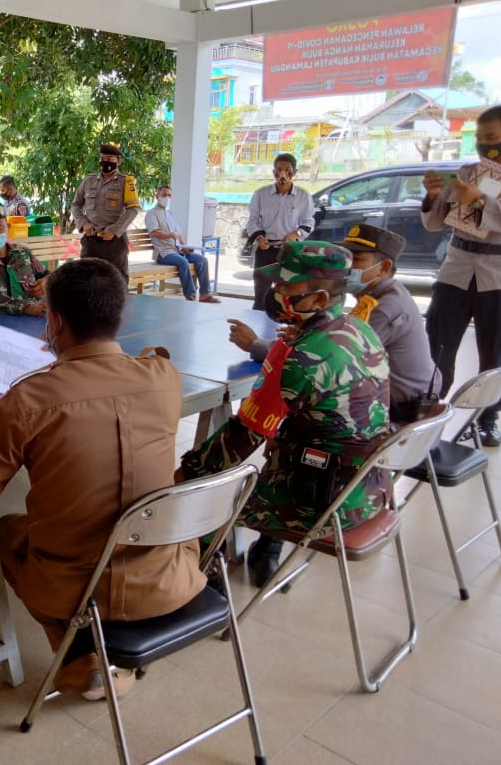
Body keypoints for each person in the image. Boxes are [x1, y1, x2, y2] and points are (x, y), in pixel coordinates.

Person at [0, 258, 205, 701]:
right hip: (170, 575)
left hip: (78, 586)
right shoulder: (163, 379)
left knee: (7, 530)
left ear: (53, 321)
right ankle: (101, 654)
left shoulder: (30, 397)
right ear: (120, 315)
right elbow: (145, 371)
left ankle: (76, 650)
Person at [180, 242, 392, 588]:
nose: (274, 292)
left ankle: (205, 585)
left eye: (285, 288)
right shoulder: (361, 329)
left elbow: (235, 445)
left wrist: (183, 473)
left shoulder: (299, 360)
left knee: (204, 486)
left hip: (317, 504)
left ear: (320, 300)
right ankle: (266, 554)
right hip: (368, 490)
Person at [228, 223, 439, 423]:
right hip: (400, 403)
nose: (348, 267)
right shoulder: (389, 294)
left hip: (398, 415)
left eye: (356, 259)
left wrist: (255, 344)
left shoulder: (382, 308)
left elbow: (327, 355)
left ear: (383, 268)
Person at [421, 104, 501, 447]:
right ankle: (428, 408)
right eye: (479, 138)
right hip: (456, 270)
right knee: (438, 343)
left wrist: (482, 202)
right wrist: (431, 196)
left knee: (496, 350)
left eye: (492, 137)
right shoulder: (467, 172)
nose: (485, 145)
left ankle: (487, 417)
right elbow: (434, 223)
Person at [246, 152, 315, 310]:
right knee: (261, 296)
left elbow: (309, 221)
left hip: (290, 251)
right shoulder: (261, 194)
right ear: (273, 173)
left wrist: (296, 234)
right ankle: (256, 330)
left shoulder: (303, 197)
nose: (283, 174)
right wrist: (259, 238)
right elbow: (253, 220)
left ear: (295, 172)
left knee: (289, 295)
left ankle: (284, 330)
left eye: (288, 169)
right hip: (266, 249)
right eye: (278, 169)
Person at [70, 143, 141, 280]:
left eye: (110, 159)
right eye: (103, 158)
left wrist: (114, 230)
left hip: (114, 243)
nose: (105, 162)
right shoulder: (88, 180)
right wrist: (83, 223)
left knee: (116, 282)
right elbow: (75, 205)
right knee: (87, 281)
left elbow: (133, 209)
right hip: (91, 241)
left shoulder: (126, 182)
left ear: (118, 161)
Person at [144, 184, 220, 303]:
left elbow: (178, 234)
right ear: (157, 196)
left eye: (169, 195)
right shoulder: (152, 213)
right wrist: (170, 234)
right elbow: (154, 233)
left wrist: (185, 247)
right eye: (164, 195)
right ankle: (190, 294)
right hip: (164, 253)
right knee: (183, 262)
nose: (167, 198)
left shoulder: (170, 214)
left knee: (202, 260)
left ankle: (205, 294)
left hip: (177, 251)